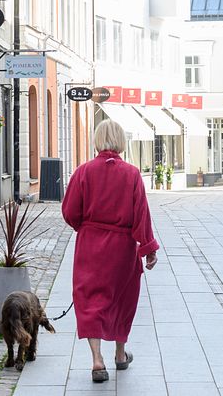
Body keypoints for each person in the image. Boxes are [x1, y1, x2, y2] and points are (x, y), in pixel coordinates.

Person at [61, 119, 159, 383]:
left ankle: (96, 360)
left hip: (90, 246)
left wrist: (86, 227)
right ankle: (119, 354)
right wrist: (148, 248)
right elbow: (142, 214)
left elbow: (69, 212)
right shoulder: (131, 174)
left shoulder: (83, 172)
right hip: (122, 248)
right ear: (121, 141)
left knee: (90, 300)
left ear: (96, 140)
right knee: (121, 299)